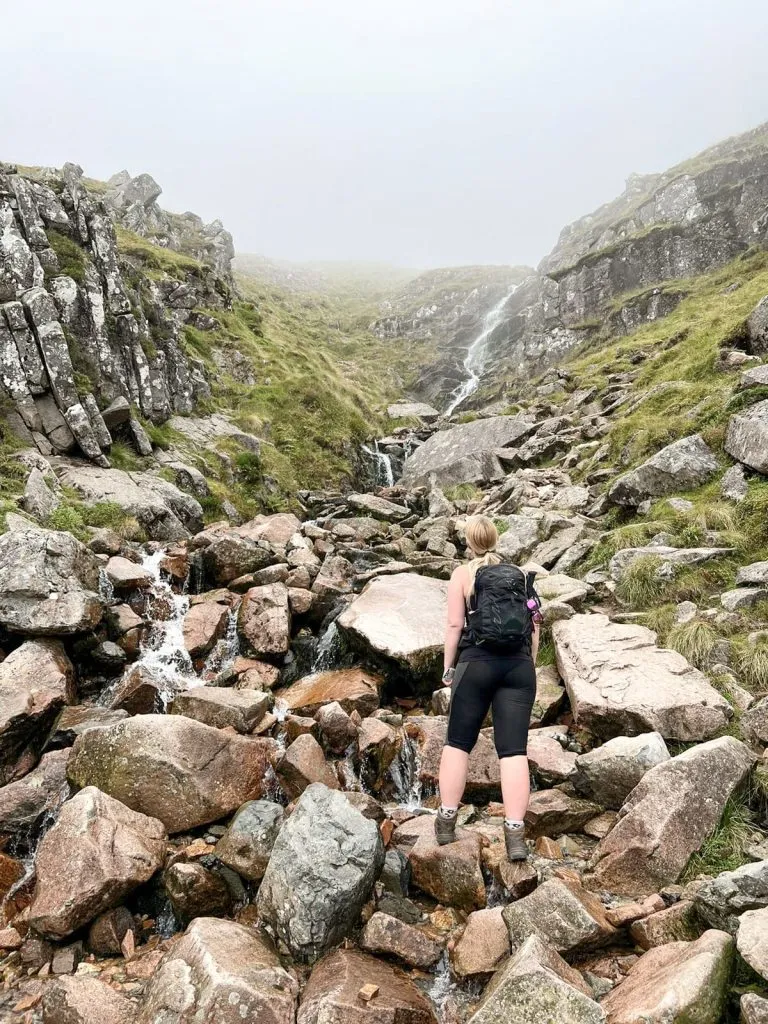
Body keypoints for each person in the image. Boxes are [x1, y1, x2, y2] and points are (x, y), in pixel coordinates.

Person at [435, 515, 540, 861]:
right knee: (513, 752)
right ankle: (514, 836)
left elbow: (454, 624)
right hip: (518, 666)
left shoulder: (463, 575)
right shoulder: (521, 577)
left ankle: (447, 824)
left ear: (468, 542)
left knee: (458, 744)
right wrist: (530, 663)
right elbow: (535, 625)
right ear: (496, 540)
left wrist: (448, 668)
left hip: (476, 665)